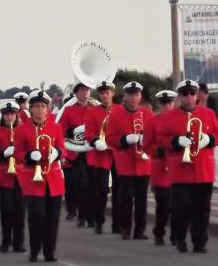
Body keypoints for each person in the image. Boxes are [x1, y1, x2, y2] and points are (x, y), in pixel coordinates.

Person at [159, 79, 218, 253]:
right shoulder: (169, 116)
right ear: (180, 97)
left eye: (192, 93)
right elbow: (160, 138)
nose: (189, 97)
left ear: (197, 95)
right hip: (181, 171)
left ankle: (199, 242)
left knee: (202, 209)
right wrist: (176, 140)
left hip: (203, 170)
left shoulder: (208, 113)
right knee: (181, 207)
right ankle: (180, 238)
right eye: (185, 94)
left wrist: (208, 139)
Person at [14, 89, 65, 262]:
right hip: (33, 181)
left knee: (52, 218)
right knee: (36, 216)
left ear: (48, 109)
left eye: (43, 106)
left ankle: (50, 251)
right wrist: (29, 156)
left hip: (53, 179)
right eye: (36, 106)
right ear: (31, 109)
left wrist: (56, 153)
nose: (40, 109)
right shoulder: (22, 130)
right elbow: (17, 153)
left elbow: (62, 149)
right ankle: (35, 249)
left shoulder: (55, 127)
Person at [106, 81, 153, 240]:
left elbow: (154, 136)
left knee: (142, 199)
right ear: (125, 96)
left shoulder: (147, 114)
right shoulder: (116, 115)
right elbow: (110, 139)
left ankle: (140, 230)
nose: (134, 97)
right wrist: (126, 139)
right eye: (131, 94)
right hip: (125, 163)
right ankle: (125, 228)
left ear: (140, 96)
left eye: (137, 94)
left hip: (143, 163)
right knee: (126, 197)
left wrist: (144, 139)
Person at [84, 80, 122, 234]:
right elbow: (88, 133)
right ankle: (99, 221)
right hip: (101, 154)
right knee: (101, 190)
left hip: (118, 153)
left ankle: (117, 223)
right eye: (102, 93)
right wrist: (95, 141)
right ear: (99, 95)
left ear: (112, 93)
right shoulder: (93, 112)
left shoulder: (120, 110)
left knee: (119, 191)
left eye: (108, 92)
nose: (105, 95)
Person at [0, 101, 26, 253]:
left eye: (12, 114)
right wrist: (3, 154)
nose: (10, 117)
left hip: (22, 175)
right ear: (2, 116)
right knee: (6, 209)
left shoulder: (23, 131)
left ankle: (19, 242)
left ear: (16, 115)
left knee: (20, 210)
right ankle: (6, 240)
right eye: (7, 114)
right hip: (5, 175)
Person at [59, 82, 95, 228]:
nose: (85, 93)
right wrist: (73, 130)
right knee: (82, 184)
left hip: (92, 151)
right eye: (81, 90)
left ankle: (90, 216)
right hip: (76, 152)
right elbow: (60, 129)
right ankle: (81, 215)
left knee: (92, 186)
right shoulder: (68, 110)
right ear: (76, 93)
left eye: (87, 90)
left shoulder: (95, 109)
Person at [143, 90, 177, 245]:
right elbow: (147, 146)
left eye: (170, 102)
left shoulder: (181, 119)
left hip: (179, 168)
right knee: (164, 205)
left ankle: (177, 235)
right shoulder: (152, 122)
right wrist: (161, 150)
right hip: (161, 170)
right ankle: (159, 232)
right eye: (164, 103)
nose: (167, 106)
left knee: (179, 205)